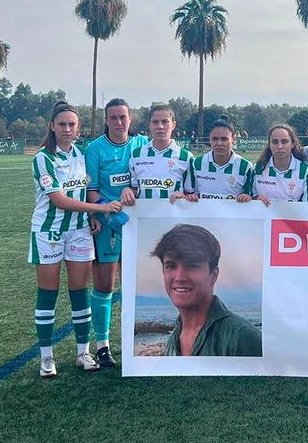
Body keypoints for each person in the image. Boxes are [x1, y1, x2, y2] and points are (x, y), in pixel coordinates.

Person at [29, 101, 122, 378]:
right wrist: (101, 209)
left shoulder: (81, 155)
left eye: (72, 124)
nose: (67, 129)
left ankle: (83, 352)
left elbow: (82, 192)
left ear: (78, 127)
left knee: (79, 293)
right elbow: (59, 200)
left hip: (80, 231)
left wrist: (90, 217)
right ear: (52, 127)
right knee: (48, 293)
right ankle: (46, 357)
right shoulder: (43, 158)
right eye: (62, 124)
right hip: (49, 232)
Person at [83, 98, 148, 367]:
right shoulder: (95, 149)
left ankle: (138, 346)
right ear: (106, 121)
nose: (119, 122)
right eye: (113, 118)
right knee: (105, 286)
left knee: (137, 286)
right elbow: (92, 189)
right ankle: (102, 346)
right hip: (107, 225)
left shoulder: (142, 144)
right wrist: (97, 213)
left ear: (130, 118)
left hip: (139, 226)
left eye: (123, 117)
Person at [153, 224, 262, 356]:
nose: (180, 277)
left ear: (213, 275)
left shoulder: (242, 337)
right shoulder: (173, 341)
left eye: (192, 265)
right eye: (171, 266)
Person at [121, 104, 194, 206]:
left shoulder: (186, 157)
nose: (160, 126)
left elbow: (192, 194)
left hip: (174, 219)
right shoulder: (136, 154)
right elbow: (135, 189)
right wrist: (127, 191)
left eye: (165, 122)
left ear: (173, 125)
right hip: (144, 217)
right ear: (149, 125)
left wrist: (184, 197)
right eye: (155, 122)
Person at [187, 115, 254, 201]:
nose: (219, 143)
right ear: (210, 139)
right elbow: (189, 193)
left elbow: (251, 197)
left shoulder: (246, 167)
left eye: (224, 139)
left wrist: (247, 197)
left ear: (233, 139)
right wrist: (190, 196)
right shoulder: (196, 163)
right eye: (215, 139)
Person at [249, 124, 308, 204]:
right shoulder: (258, 168)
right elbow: (249, 195)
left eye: (284, 142)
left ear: (293, 144)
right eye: (275, 142)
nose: (280, 146)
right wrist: (256, 198)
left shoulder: (305, 171)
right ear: (269, 144)